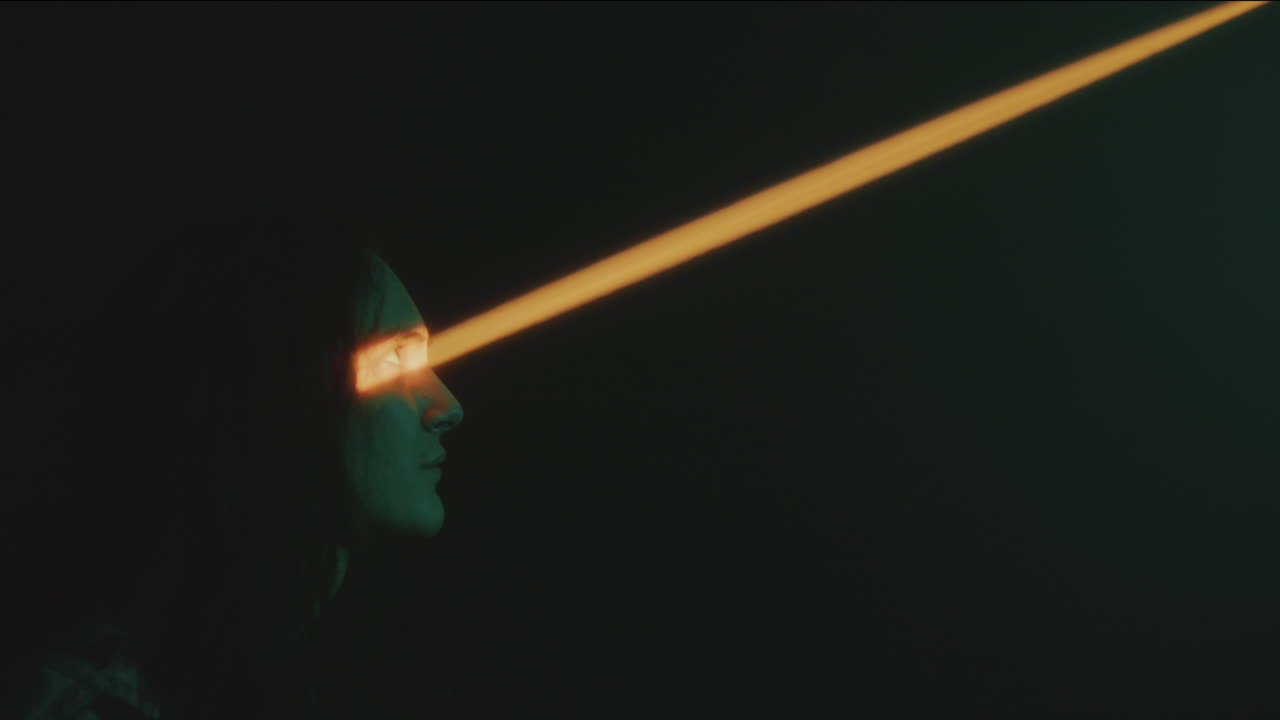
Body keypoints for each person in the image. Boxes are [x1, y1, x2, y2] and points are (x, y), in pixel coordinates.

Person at [1, 211, 464, 720]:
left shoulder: (316, 668)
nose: (448, 407)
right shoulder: (87, 703)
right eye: (396, 359)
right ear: (273, 386)